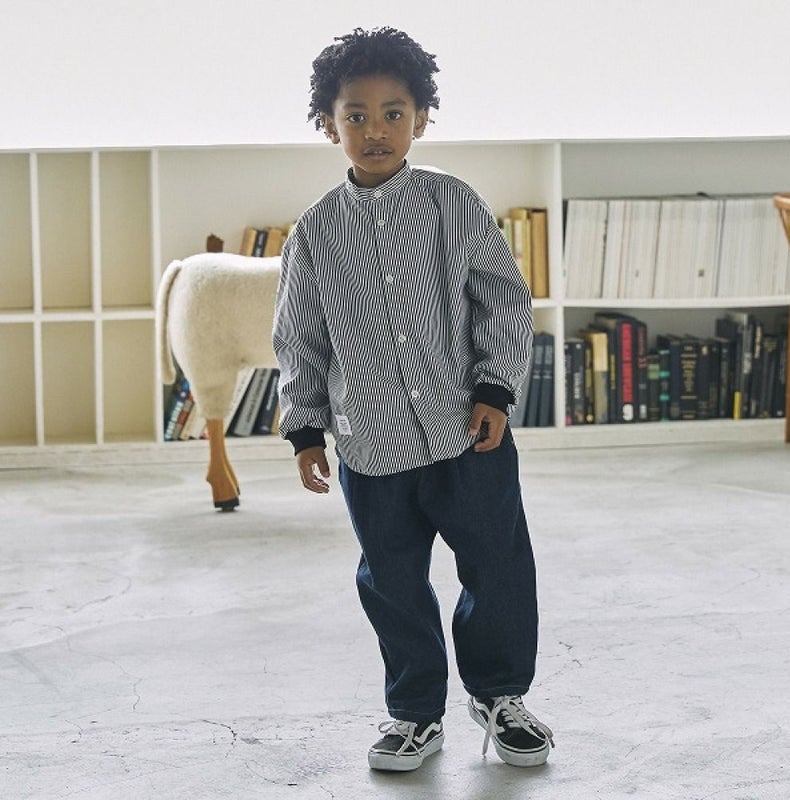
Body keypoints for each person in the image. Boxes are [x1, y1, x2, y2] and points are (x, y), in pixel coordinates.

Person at [272, 26, 553, 772]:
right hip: (371, 444)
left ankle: (500, 695)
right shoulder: (316, 232)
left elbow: (503, 299)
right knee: (392, 581)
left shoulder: (452, 204)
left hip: (468, 434)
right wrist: (305, 429)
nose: (375, 130)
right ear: (328, 124)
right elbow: (299, 337)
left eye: (393, 113)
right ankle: (414, 712)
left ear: (421, 118)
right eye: (356, 115)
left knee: (496, 565)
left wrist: (495, 388)